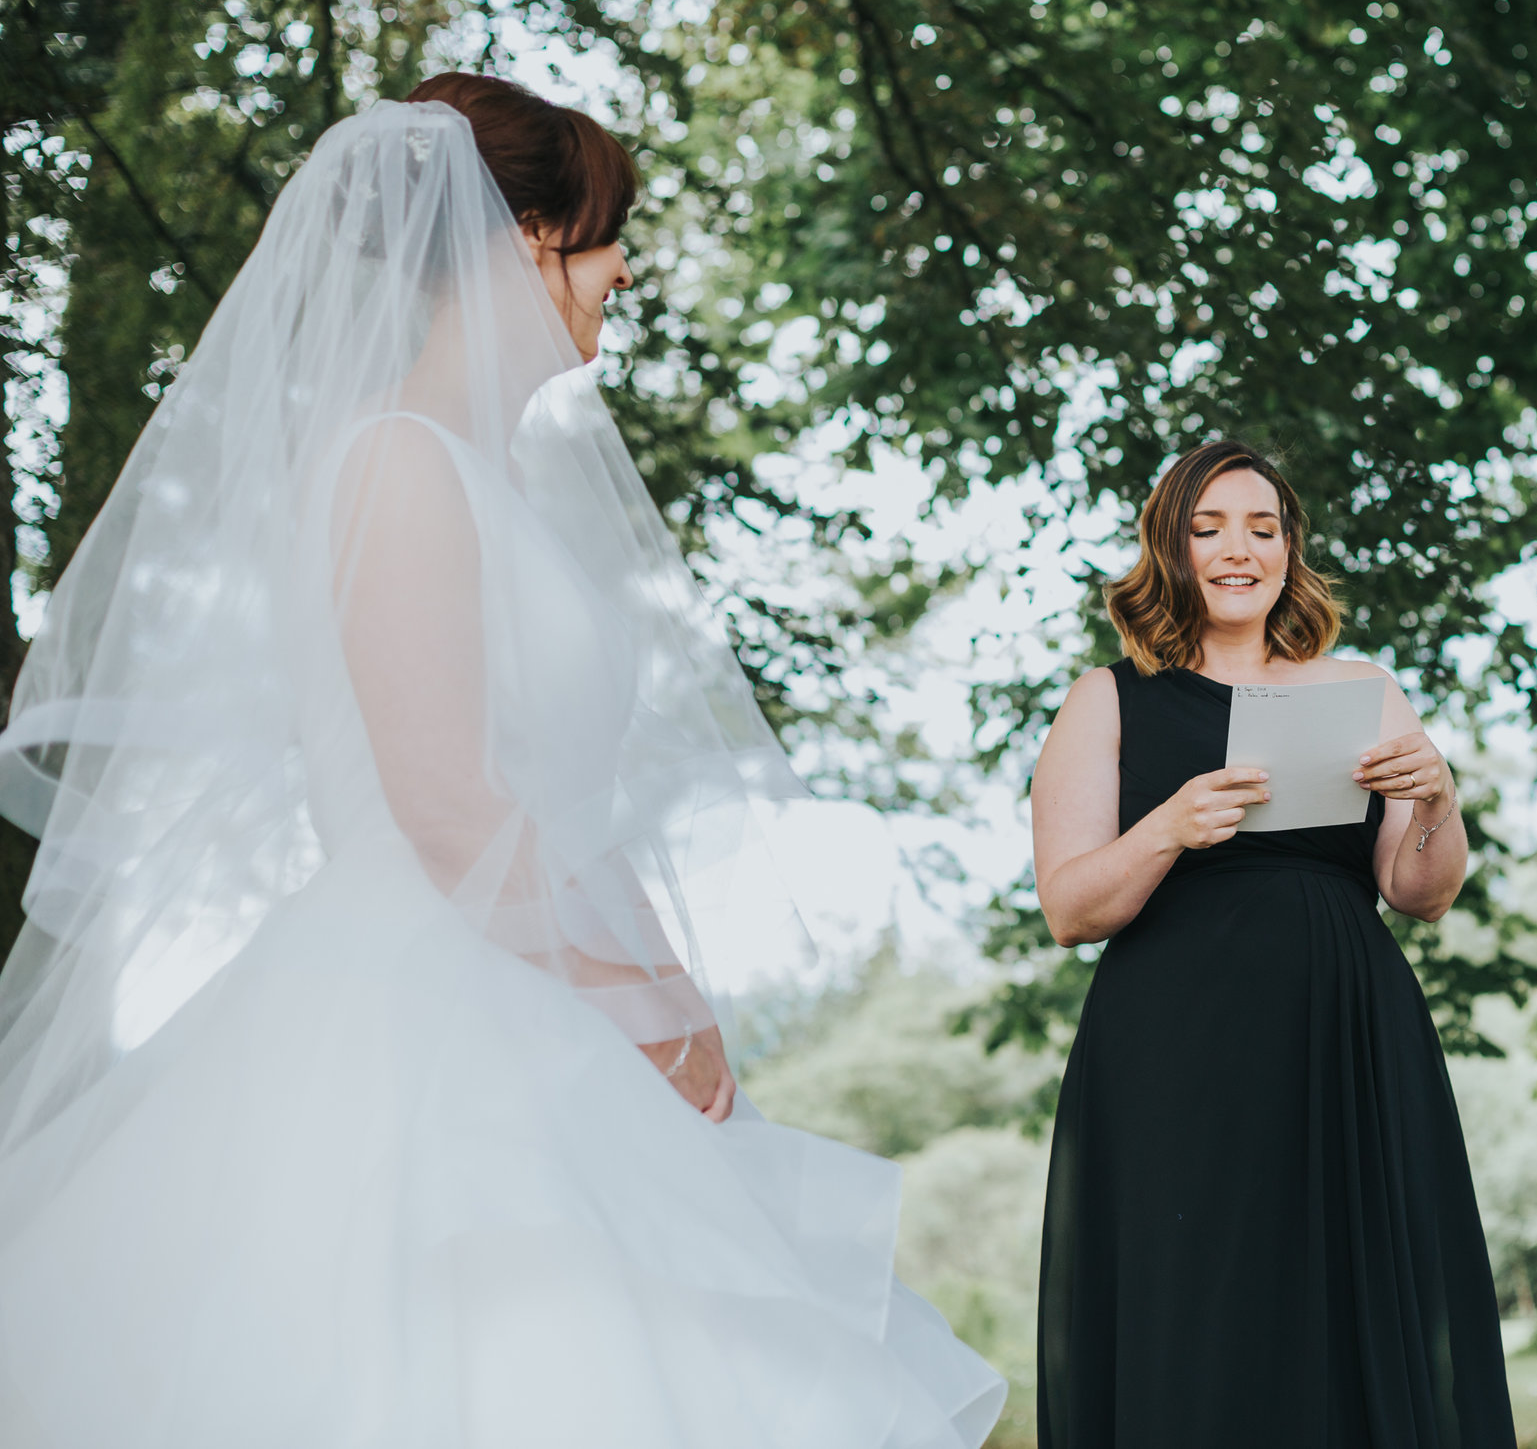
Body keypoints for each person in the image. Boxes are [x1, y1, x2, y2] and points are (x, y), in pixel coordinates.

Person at [0, 76, 1004, 1446]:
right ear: (524, 237)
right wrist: (624, 992)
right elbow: (443, 797)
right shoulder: (393, 463)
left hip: (553, 969)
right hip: (427, 1002)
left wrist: (671, 979)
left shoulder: (497, 477)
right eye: (602, 237)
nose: (622, 268)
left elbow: (565, 801)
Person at [1028, 440, 1515, 1448]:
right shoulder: (1108, 697)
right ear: (1169, 546)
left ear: (1290, 548)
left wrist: (1435, 794)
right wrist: (1168, 824)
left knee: (1346, 1288)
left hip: (1344, 1036)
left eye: (1262, 527)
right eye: (1208, 528)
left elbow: (1418, 890)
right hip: (1174, 1054)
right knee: (1199, 1301)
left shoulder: (1361, 688)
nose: (1237, 549)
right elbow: (1069, 907)